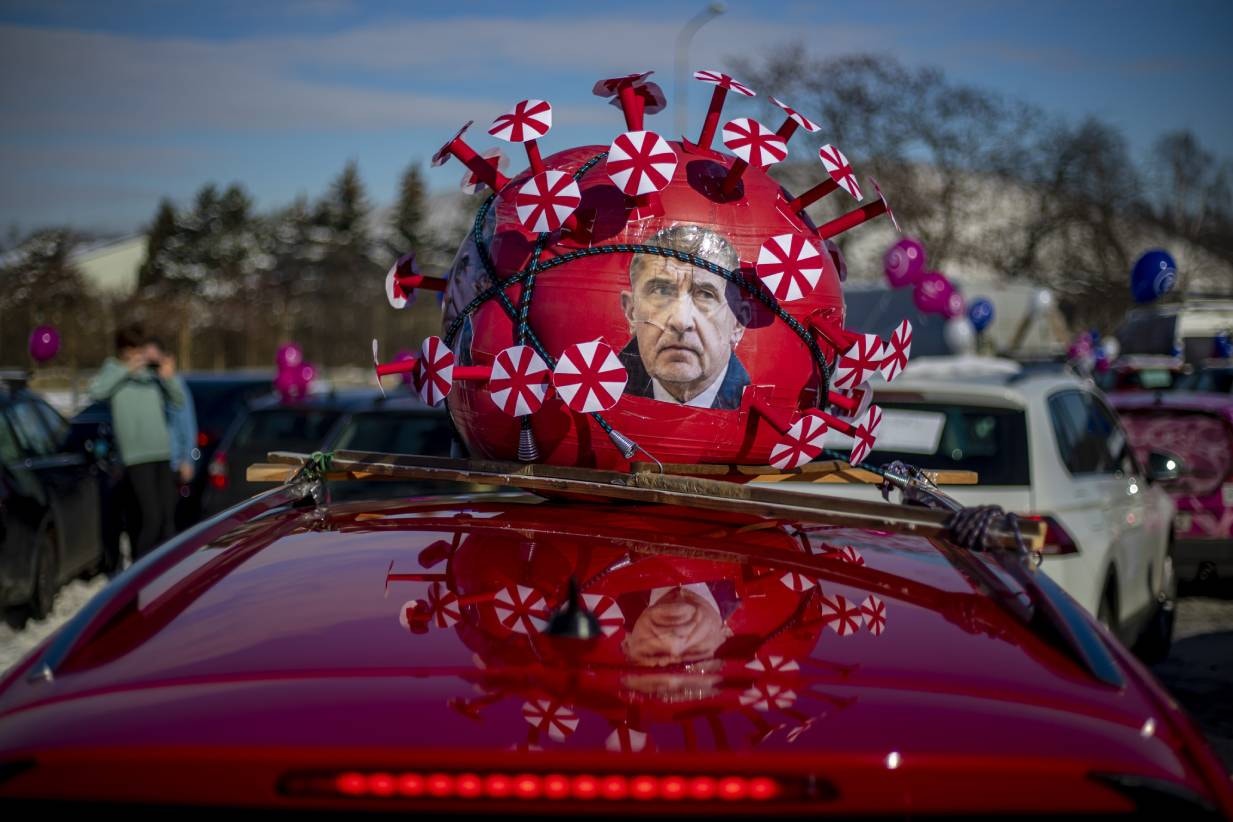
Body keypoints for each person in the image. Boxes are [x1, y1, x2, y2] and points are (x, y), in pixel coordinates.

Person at [619, 224, 751, 409]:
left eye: (705, 294)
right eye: (661, 290)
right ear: (632, 312)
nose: (681, 321)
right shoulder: (594, 399)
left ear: (737, 322)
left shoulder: (762, 413)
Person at [89, 323, 185, 563]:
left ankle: (168, 569)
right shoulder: (113, 369)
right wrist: (127, 369)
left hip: (161, 452)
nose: (139, 355)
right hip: (136, 456)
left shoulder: (151, 374)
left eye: (141, 349)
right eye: (135, 349)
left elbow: (178, 401)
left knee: (167, 518)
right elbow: (96, 391)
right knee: (151, 517)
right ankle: (140, 571)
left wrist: (169, 377)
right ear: (124, 350)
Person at [147, 337, 197, 530]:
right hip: (150, 459)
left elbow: (187, 424)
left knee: (167, 518)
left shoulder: (175, 385)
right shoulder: (146, 385)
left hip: (172, 461)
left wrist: (188, 459)